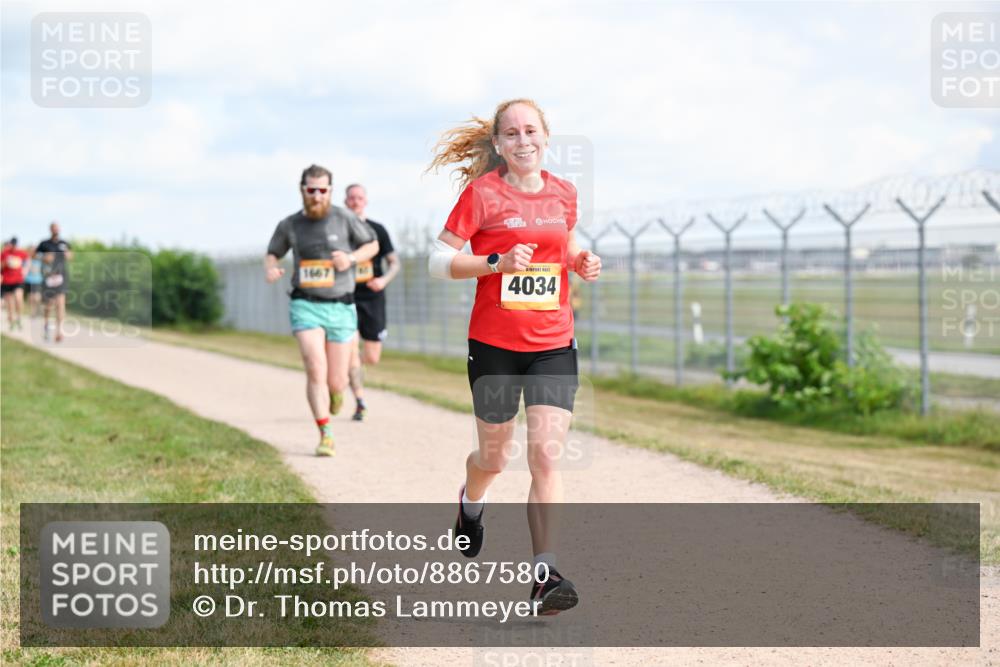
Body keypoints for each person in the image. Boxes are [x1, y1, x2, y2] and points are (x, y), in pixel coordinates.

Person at [426, 99, 602, 615]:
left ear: (546, 136)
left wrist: (580, 259)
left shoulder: (563, 193)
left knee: (545, 454)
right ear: (499, 144)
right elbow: (439, 260)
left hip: (552, 342)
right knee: (494, 458)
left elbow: (564, 243)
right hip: (495, 346)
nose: (522, 140)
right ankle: (470, 505)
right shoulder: (482, 194)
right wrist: (494, 262)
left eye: (531, 130)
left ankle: (544, 575)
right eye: (512, 133)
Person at [264, 165, 379, 457]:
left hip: (341, 305)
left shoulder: (344, 217)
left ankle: (337, 393)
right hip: (305, 304)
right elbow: (272, 252)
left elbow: (372, 245)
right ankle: (325, 433)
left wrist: (351, 258)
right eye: (311, 190)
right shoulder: (290, 224)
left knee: (336, 381)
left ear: (330, 190)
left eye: (323, 190)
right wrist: (271, 268)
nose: (317, 195)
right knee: (315, 367)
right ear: (302, 189)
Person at [344, 183, 400, 421]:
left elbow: (394, 262)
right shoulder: (340, 231)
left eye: (359, 197)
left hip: (373, 295)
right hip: (345, 295)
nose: (356, 201)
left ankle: (353, 364)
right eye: (351, 198)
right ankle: (359, 400)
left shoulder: (378, 229)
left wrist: (383, 280)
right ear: (346, 202)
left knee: (372, 356)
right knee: (350, 351)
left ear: (365, 201)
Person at [36, 223, 73, 342]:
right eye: (54, 228)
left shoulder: (64, 243)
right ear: (50, 229)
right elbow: (33, 255)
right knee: (49, 305)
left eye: (58, 228)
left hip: (61, 276)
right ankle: (46, 326)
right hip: (48, 277)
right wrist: (43, 258)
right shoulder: (44, 243)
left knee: (60, 304)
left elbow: (71, 256)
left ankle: (59, 331)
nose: (56, 230)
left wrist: (68, 255)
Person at [1, 237, 30, 330]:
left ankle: (19, 317)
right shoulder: (4, 253)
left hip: (18, 280)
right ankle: (11, 320)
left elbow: (28, 260)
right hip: (7, 281)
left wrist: (25, 270)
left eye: (15, 245)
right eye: (12, 244)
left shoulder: (21, 253)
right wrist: (6, 263)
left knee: (18, 298)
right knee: (10, 302)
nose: (13, 246)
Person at [23, 247, 43, 318]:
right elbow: (24, 270)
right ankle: (33, 312)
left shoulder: (40, 260)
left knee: (37, 297)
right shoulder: (27, 260)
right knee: (31, 297)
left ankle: (37, 309)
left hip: (37, 281)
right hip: (28, 280)